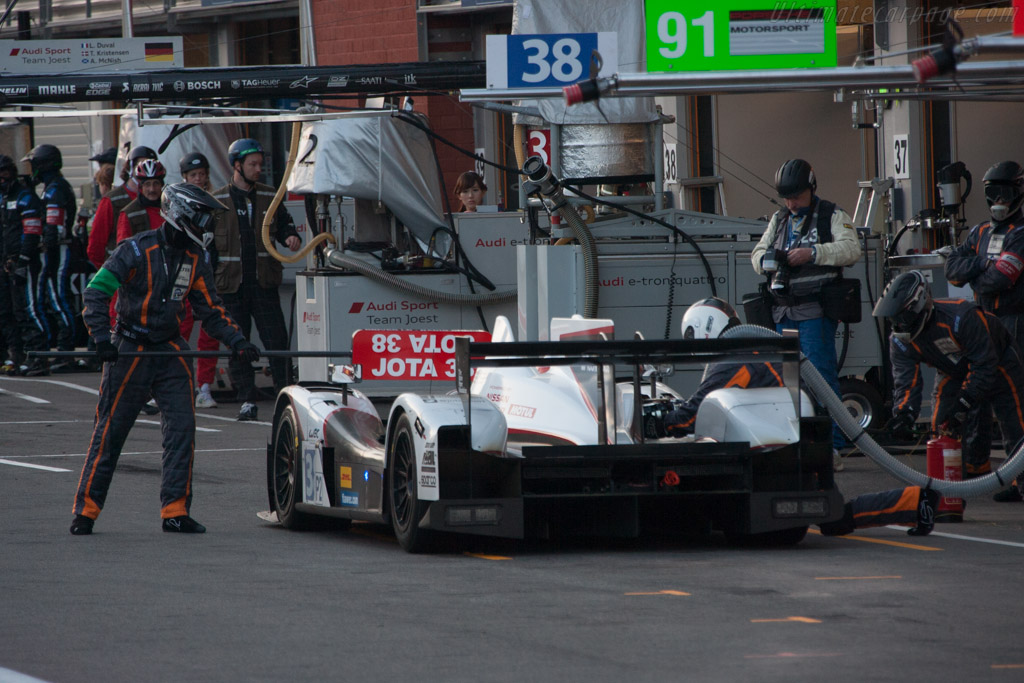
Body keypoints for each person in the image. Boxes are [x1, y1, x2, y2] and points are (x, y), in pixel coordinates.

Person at [647, 298, 936, 535]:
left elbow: (691, 416)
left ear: (702, 330)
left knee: (833, 518)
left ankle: (918, 501)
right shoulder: (753, 348)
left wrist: (660, 423)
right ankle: (916, 502)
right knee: (834, 520)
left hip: (784, 453)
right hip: (799, 445)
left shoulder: (733, 359)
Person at [69, 183, 260, 536]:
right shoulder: (135, 251)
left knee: (183, 430)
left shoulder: (196, 259)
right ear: (182, 214)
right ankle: (86, 512)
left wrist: (238, 341)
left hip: (171, 351)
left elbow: (212, 311)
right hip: (128, 349)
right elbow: (96, 293)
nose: (207, 227)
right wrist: (99, 339)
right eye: (202, 219)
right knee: (110, 434)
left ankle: (175, 511)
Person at [873, 270, 1024, 502]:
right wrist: (904, 414)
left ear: (919, 307)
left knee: (1014, 422)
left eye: (902, 318)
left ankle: (1020, 480)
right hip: (952, 369)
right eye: (893, 319)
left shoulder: (961, 317)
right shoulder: (899, 341)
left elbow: (984, 365)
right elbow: (906, 380)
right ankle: (948, 487)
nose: (898, 325)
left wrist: (964, 403)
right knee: (940, 425)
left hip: (998, 359)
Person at [751, 159, 862, 461]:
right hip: (781, 313)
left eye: (796, 197)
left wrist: (813, 253)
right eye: (786, 198)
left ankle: (835, 445)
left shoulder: (831, 215)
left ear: (811, 189)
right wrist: (768, 260)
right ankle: (792, 442)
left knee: (822, 379)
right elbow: (757, 253)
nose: (791, 203)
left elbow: (852, 249)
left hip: (815, 311)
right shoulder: (780, 219)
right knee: (785, 381)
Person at [212, 138, 300, 421]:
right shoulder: (217, 201)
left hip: (264, 283)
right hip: (231, 286)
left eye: (260, 164)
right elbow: (207, 246)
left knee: (276, 340)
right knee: (238, 343)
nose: (258, 169)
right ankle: (246, 399)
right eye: (252, 164)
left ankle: (285, 395)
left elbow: (285, 221)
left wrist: (291, 236)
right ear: (237, 165)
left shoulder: (269, 195)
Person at [22, 144, 76, 362]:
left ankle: (66, 351)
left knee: (57, 298)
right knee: (54, 297)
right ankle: (64, 348)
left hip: (59, 250)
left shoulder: (55, 189)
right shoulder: (52, 187)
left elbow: (54, 225)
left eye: (34, 165)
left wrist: (47, 244)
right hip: (56, 249)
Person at [178, 152, 220, 409]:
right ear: (184, 177)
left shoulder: (215, 204)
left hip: (208, 278)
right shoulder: (175, 204)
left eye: (202, 175)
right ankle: (180, 385)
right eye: (194, 175)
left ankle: (204, 387)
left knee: (209, 334)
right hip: (183, 278)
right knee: (179, 332)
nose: (199, 179)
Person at [0, 155, 48, 376]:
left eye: (5, 173)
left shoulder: (25, 197)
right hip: (4, 264)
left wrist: (22, 260)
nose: (2, 178)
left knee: (27, 310)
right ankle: (16, 356)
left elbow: (32, 232)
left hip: (23, 263)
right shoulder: (3, 198)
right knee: (6, 312)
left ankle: (37, 356)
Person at [86, 145, 158, 270]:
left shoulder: (159, 200)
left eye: (150, 165)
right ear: (130, 168)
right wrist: (111, 277)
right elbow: (95, 248)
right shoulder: (111, 201)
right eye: (140, 165)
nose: (145, 170)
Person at [115, 159, 166, 242]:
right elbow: (123, 249)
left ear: (162, 185)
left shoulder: (170, 210)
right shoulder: (128, 213)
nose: (152, 189)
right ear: (140, 187)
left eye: (156, 183)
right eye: (147, 184)